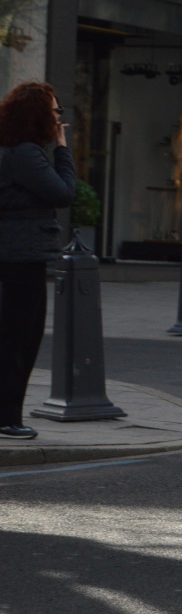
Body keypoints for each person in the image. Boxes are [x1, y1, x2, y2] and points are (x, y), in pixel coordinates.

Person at [0, 81, 77, 439]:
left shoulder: (9, 150)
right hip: (22, 256)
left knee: (15, 337)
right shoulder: (27, 154)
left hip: (14, 253)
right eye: (55, 112)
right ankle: (7, 418)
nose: (59, 119)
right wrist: (63, 149)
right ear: (39, 115)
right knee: (20, 339)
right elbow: (63, 193)